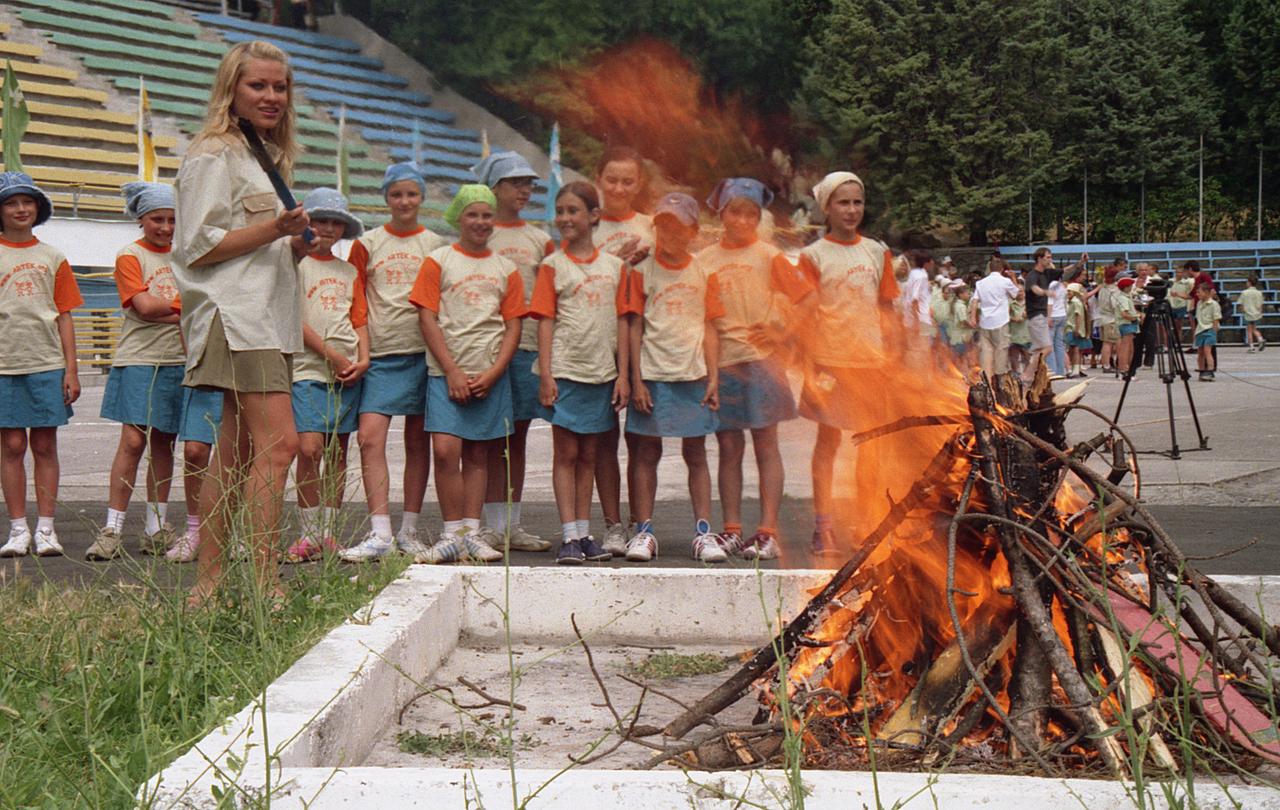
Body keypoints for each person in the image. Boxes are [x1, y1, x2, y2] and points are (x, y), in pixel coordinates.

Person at [171, 40, 310, 604]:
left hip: (268, 317)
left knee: (237, 454)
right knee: (282, 447)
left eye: (280, 87)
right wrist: (276, 231)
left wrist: (295, 246)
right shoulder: (212, 153)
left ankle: (206, 588)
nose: (272, 96)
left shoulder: (264, 156)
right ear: (233, 89)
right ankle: (264, 586)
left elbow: (252, 249)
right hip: (238, 316)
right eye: (259, 86)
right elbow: (197, 248)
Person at [409, 185, 525, 563]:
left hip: (488, 373)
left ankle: (472, 534)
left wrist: (494, 372)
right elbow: (427, 316)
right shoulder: (439, 260)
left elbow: (512, 326)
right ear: (458, 217)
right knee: (446, 451)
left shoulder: (506, 268)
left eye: (487, 215)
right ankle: (451, 532)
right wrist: (452, 370)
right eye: (472, 215)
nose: (480, 222)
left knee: (479, 453)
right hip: (447, 373)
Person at [789, 172, 898, 556]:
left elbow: (887, 309)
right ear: (827, 209)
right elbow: (804, 314)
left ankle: (869, 523)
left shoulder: (876, 251)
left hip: (871, 363)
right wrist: (809, 364)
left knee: (871, 447)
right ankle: (824, 527)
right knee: (828, 442)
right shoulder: (813, 256)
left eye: (857, 202)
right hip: (830, 363)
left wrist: (894, 357)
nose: (852, 210)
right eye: (843, 202)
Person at [341, 162, 443, 563]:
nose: (404, 201)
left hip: (423, 354)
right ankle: (379, 530)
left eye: (411, 194)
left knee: (419, 443)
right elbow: (356, 297)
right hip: (380, 356)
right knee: (370, 438)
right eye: (397, 194)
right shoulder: (367, 242)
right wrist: (361, 347)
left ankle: (409, 531)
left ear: (421, 198)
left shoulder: (435, 244)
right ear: (386, 197)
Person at [701, 177, 805, 561]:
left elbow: (805, 299)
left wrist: (782, 334)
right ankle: (731, 528)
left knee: (766, 444)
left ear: (758, 217)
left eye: (750, 213)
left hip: (763, 363)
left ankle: (767, 530)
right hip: (724, 362)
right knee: (728, 447)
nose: (742, 220)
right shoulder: (705, 260)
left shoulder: (769, 255)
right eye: (735, 211)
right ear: (722, 212)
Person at [528, 182, 629, 564]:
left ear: (594, 216)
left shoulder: (615, 267)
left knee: (590, 453)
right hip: (566, 371)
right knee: (566, 453)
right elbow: (546, 322)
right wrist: (547, 374)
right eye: (561, 211)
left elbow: (621, 322)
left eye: (573, 211)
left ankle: (586, 534)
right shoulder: (553, 266)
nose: (565, 218)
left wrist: (621, 375)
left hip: (601, 374)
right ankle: (569, 535)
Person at [624, 192, 725, 563]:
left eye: (679, 226)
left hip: (693, 375)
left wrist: (713, 376)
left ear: (694, 230)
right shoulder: (642, 270)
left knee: (695, 453)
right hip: (653, 377)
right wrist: (636, 380)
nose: (670, 233)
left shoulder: (702, 271)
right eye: (663, 225)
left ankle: (702, 532)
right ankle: (644, 532)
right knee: (647, 452)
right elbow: (634, 326)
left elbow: (711, 328)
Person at [87, 182, 183, 561]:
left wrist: (169, 308)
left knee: (164, 443)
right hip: (140, 357)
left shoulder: (186, 255)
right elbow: (143, 306)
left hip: (178, 358)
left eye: (172, 219)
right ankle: (112, 527)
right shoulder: (130, 255)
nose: (165, 227)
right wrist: (184, 305)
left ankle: (156, 527)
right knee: (132, 441)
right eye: (157, 219)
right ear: (141, 219)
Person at [472, 151, 554, 553]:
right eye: (515, 182)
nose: (524, 190)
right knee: (488, 439)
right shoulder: (480, 233)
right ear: (494, 187)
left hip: (524, 349)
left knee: (517, 437)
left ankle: (512, 525)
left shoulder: (539, 239)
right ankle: (488, 525)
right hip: (483, 350)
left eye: (529, 184)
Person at [0, 173, 81, 558]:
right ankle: (18, 529)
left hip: (47, 363)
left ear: (38, 208)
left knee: (45, 444)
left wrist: (71, 369)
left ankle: (46, 528)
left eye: (27, 202)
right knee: (12, 445)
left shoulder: (53, 256)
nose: (20, 209)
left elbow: (64, 315)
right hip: (4, 364)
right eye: (11, 203)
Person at [286, 189, 369, 562]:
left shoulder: (348, 270)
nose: (329, 228)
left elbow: (359, 319)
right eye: (321, 220)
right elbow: (293, 319)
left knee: (337, 451)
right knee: (309, 448)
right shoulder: (295, 265)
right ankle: (307, 532)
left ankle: (328, 534)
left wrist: (362, 358)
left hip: (346, 371)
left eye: (336, 222)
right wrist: (331, 355)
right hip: (308, 368)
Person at [593, 146, 654, 554]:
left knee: (641, 440)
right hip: (599, 343)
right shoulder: (588, 226)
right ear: (599, 180)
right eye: (611, 179)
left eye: (627, 180)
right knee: (602, 438)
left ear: (640, 184)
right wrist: (613, 259)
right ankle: (613, 523)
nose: (618, 187)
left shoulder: (654, 226)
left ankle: (641, 522)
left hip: (648, 344)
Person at [166, 388, 224, 562]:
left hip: (242, 375)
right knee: (194, 451)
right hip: (205, 375)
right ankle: (195, 530)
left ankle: (233, 530)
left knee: (235, 450)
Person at [970, 255, 1022, 378]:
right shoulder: (1005, 281)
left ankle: (986, 377)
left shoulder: (981, 283)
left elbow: (975, 301)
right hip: (1001, 321)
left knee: (986, 352)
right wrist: (1013, 277)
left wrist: (973, 317)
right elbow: (1016, 294)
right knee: (1001, 350)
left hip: (985, 321)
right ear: (1002, 270)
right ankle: (1000, 378)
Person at [1022, 247, 1063, 381]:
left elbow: (1065, 271)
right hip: (1036, 315)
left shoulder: (1047, 273)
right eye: (1047, 257)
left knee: (1038, 349)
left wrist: (1079, 263)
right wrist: (1046, 292)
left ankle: (1031, 375)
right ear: (1039, 258)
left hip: (1041, 316)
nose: (1050, 260)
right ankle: (1027, 374)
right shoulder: (1032, 276)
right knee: (1047, 348)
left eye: (1050, 257)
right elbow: (1035, 289)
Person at [1095, 266, 1121, 376]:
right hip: (1111, 318)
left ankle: (1106, 364)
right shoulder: (1114, 290)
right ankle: (1107, 365)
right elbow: (1115, 305)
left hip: (1102, 317)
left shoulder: (1102, 288)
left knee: (1106, 342)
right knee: (1110, 343)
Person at [1064, 282, 1092, 378]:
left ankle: (1075, 370)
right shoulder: (1072, 302)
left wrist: (1077, 328)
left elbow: (1078, 315)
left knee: (1074, 348)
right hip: (1072, 328)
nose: (1067, 293)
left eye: (1070, 291)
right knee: (1075, 349)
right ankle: (1077, 368)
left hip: (1073, 328)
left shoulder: (1075, 302)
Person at [1193, 283, 1221, 381]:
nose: (1197, 294)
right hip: (1200, 329)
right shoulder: (1199, 303)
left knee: (1207, 351)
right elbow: (1198, 317)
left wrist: (1214, 331)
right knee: (1200, 352)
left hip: (1209, 329)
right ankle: (1201, 371)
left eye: (1199, 292)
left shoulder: (1214, 304)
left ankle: (1210, 371)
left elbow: (1216, 319)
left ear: (1206, 292)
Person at [1114, 277, 1140, 375]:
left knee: (1130, 347)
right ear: (1126, 287)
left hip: (1128, 324)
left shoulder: (1126, 297)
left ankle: (1128, 367)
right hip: (1126, 324)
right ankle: (1123, 368)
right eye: (1130, 286)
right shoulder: (1123, 298)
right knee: (1126, 348)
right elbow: (1124, 314)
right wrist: (1135, 317)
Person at [1169, 262, 1196, 345]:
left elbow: (1190, 292)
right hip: (1171, 304)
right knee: (1170, 326)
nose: (1179, 274)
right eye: (1177, 272)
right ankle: (1170, 343)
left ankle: (1179, 343)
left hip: (1181, 305)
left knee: (1179, 326)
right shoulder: (1170, 281)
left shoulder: (1187, 282)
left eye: (1181, 272)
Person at [1047, 276, 1068, 376]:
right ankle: (1060, 371)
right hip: (1062, 314)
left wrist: (1048, 317)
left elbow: (1050, 302)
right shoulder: (1062, 286)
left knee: (1049, 345)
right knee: (1059, 344)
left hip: (1053, 315)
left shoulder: (1051, 285)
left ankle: (1052, 370)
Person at [1239, 276, 1266, 352]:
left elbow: (1241, 304)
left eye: (1247, 281)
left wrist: (1243, 310)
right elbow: (1261, 304)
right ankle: (1260, 339)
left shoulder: (1244, 293)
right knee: (1254, 329)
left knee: (1249, 331)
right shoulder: (1259, 293)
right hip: (1256, 314)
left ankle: (1252, 347)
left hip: (1248, 314)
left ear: (1249, 282)